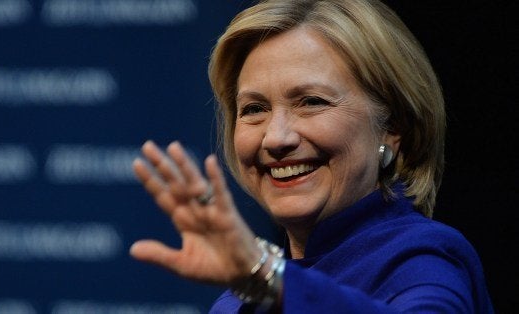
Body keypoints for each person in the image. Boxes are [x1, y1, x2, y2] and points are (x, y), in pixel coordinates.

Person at [130, 0, 494, 312]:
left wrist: (266, 277)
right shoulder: (237, 303)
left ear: (393, 127)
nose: (276, 138)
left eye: (311, 102)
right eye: (254, 108)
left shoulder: (424, 261)